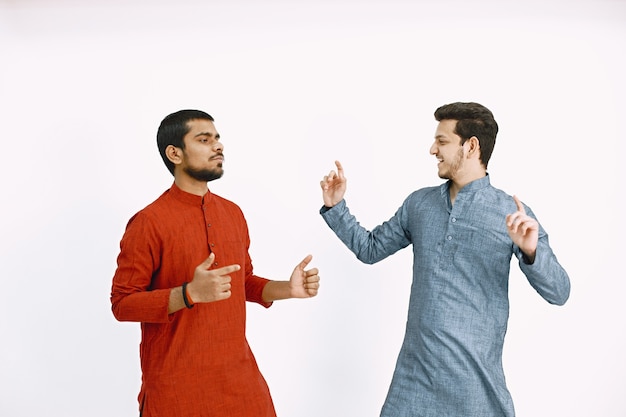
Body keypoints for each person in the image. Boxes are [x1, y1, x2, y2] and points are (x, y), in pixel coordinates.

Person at [319, 102, 570, 417]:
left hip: (476, 391)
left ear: (471, 146)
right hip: (412, 386)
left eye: (442, 141)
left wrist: (531, 251)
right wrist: (336, 207)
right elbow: (370, 249)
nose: (432, 149)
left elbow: (559, 292)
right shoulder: (420, 204)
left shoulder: (512, 214)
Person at [111, 109, 320, 417]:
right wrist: (188, 294)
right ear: (175, 153)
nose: (218, 146)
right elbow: (122, 304)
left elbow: (243, 283)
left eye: (217, 139)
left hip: (240, 383)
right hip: (176, 390)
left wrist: (287, 289)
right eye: (204, 139)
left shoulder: (232, 214)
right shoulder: (148, 223)